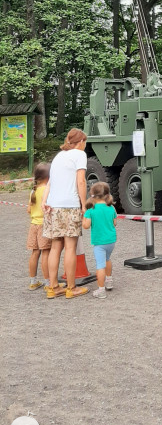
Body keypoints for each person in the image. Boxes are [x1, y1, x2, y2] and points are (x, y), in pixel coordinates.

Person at [42, 128, 89, 299]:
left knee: (56, 247)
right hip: (69, 206)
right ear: (81, 141)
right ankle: (71, 287)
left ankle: (53, 286)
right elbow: (81, 181)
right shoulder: (79, 155)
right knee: (70, 247)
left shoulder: (58, 156)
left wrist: (43, 201)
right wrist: (84, 205)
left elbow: (50, 183)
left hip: (53, 206)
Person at [82, 181, 117, 299]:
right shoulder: (111, 207)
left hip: (99, 242)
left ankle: (101, 290)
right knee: (107, 259)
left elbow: (86, 226)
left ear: (92, 195)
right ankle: (109, 280)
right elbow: (114, 223)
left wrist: (83, 218)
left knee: (100, 265)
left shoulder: (91, 210)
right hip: (111, 240)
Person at [26, 163, 51, 290]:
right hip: (44, 225)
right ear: (48, 177)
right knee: (46, 253)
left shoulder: (33, 191)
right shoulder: (47, 190)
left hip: (33, 225)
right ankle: (48, 283)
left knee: (35, 253)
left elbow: (29, 210)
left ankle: (33, 281)